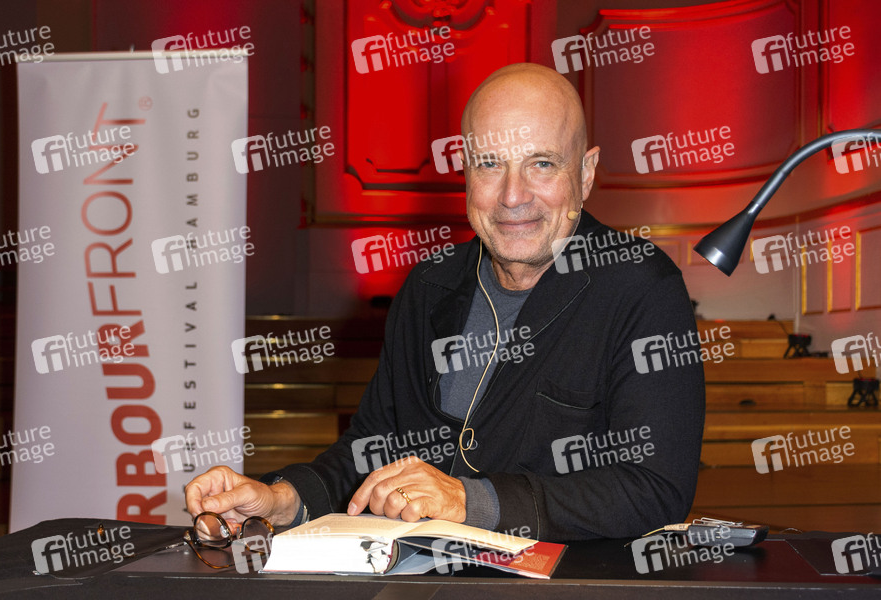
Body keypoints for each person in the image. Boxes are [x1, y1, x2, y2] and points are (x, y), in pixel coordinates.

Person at [186, 63, 705, 542]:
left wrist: (467, 500)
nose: (512, 195)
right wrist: (283, 498)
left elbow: (655, 490)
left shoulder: (642, 287)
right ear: (465, 171)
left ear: (586, 174)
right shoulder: (428, 285)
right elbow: (374, 447)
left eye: (542, 164)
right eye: (489, 164)